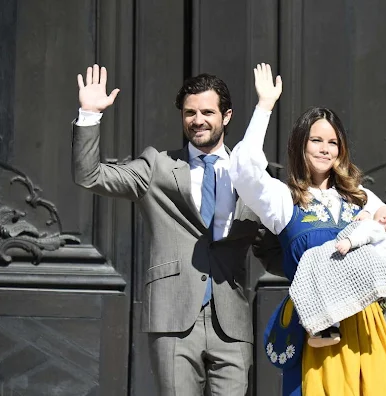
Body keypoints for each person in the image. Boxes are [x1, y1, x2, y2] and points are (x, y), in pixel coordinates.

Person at [71, 64, 281, 396]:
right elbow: (90, 176)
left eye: (207, 112)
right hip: (173, 319)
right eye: (190, 113)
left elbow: (272, 246)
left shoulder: (255, 174)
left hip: (232, 321)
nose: (197, 120)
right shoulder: (157, 165)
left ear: (226, 116)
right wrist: (89, 115)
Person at [230, 63, 386, 395]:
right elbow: (244, 172)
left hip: (363, 323)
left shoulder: (361, 198)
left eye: (332, 142)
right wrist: (264, 107)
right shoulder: (283, 198)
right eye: (316, 139)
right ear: (301, 145)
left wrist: (357, 255)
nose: (324, 148)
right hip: (315, 327)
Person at [291, 203, 386, 348]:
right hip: (364, 286)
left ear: (384, 218)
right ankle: (328, 328)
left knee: (323, 279)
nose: (381, 205)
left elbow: (366, 232)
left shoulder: (375, 228)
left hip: (347, 265)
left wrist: (351, 240)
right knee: (338, 297)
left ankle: (323, 326)